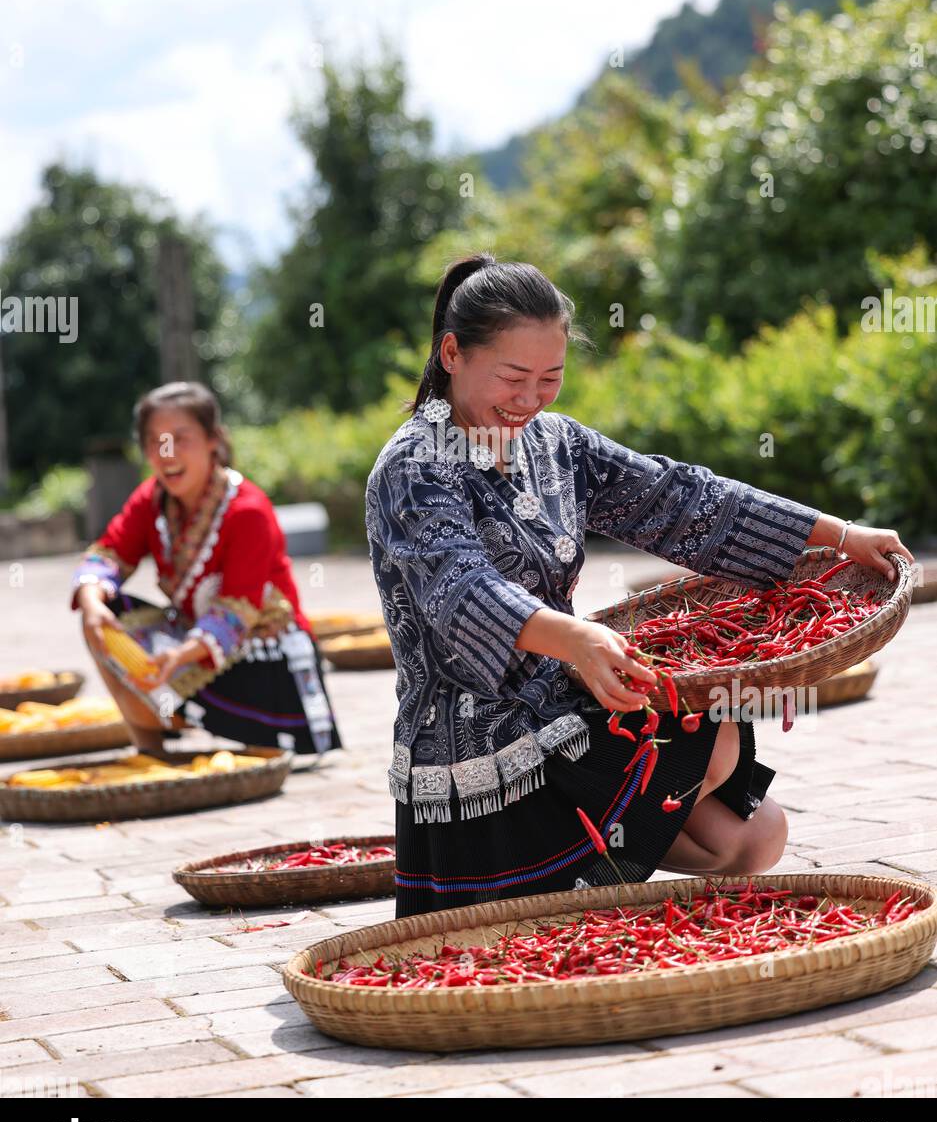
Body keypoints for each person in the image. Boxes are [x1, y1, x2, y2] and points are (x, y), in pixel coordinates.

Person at [365, 253, 914, 918]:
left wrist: (837, 535)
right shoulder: (413, 466)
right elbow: (462, 590)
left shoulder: (555, 443)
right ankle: (569, 884)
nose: (529, 399)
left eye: (549, 378)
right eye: (512, 377)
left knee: (753, 837)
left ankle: (596, 874)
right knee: (709, 734)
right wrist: (575, 638)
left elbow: (680, 498)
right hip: (481, 728)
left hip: (564, 687)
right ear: (452, 353)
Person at [72, 381, 342, 761]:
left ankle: (243, 727)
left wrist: (179, 655)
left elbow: (235, 613)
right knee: (102, 619)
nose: (166, 454)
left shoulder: (248, 510)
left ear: (213, 440)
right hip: (193, 639)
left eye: (180, 438)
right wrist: (91, 602)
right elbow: (108, 556)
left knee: (261, 753)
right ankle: (150, 744)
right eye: (155, 441)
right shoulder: (150, 500)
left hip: (260, 647)